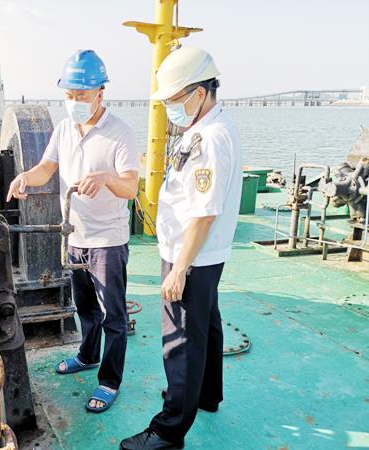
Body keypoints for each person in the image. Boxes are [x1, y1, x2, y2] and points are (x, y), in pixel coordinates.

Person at [120, 46, 242, 449]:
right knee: (206, 324)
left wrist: (178, 269)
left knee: (181, 340)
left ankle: (169, 430)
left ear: (200, 93)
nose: (170, 107)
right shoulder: (207, 126)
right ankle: (205, 394)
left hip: (191, 256)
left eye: (175, 98)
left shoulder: (210, 138)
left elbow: (204, 215)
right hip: (201, 255)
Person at [6, 49, 139, 413]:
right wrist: (24, 178)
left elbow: (131, 187)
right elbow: (46, 169)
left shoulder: (120, 133)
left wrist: (107, 178)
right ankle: (87, 355)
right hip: (75, 237)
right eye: (69, 94)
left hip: (107, 241)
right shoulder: (64, 129)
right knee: (84, 307)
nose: (75, 101)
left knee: (113, 316)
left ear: (100, 92)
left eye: (82, 94)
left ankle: (109, 381)